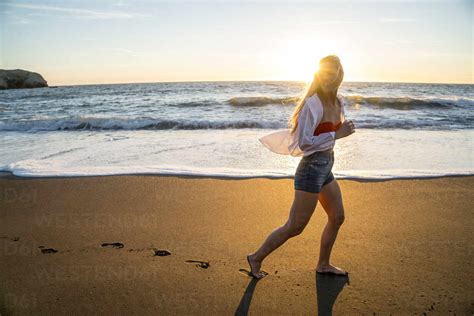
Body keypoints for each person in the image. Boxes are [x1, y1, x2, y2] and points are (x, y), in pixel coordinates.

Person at [247, 54, 356, 279]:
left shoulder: (338, 101)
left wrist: (339, 131)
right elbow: (306, 142)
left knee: (337, 217)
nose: (327, 77)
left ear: (339, 74)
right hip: (311, 169)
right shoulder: (312, 103)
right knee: (295, 226)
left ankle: (323, 264)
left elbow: (329, 132)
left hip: (326, 166)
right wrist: (337, 134)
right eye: (322, 73)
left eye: (331, 73)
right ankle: (256, 257)